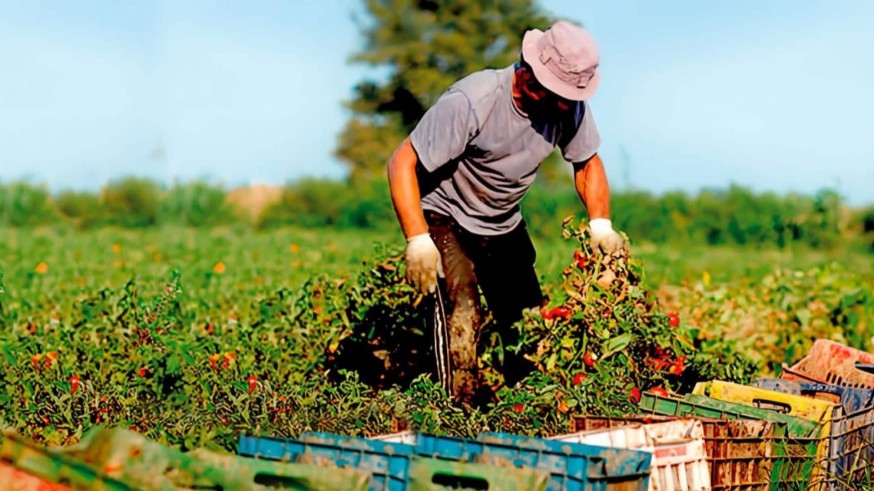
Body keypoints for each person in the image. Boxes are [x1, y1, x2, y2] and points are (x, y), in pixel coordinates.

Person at [386, 20, 625, 405]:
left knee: (529, 323)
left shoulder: (569, 108)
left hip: (500, 221)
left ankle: (528, 409)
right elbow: (402, 163)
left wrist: (600, 224)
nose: (567, 106)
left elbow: (588, 163)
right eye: (559, 95)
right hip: (444, 214)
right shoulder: (473, 101)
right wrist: (417, 238)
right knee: (462, 311)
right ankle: (456, 414)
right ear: (531, 77)